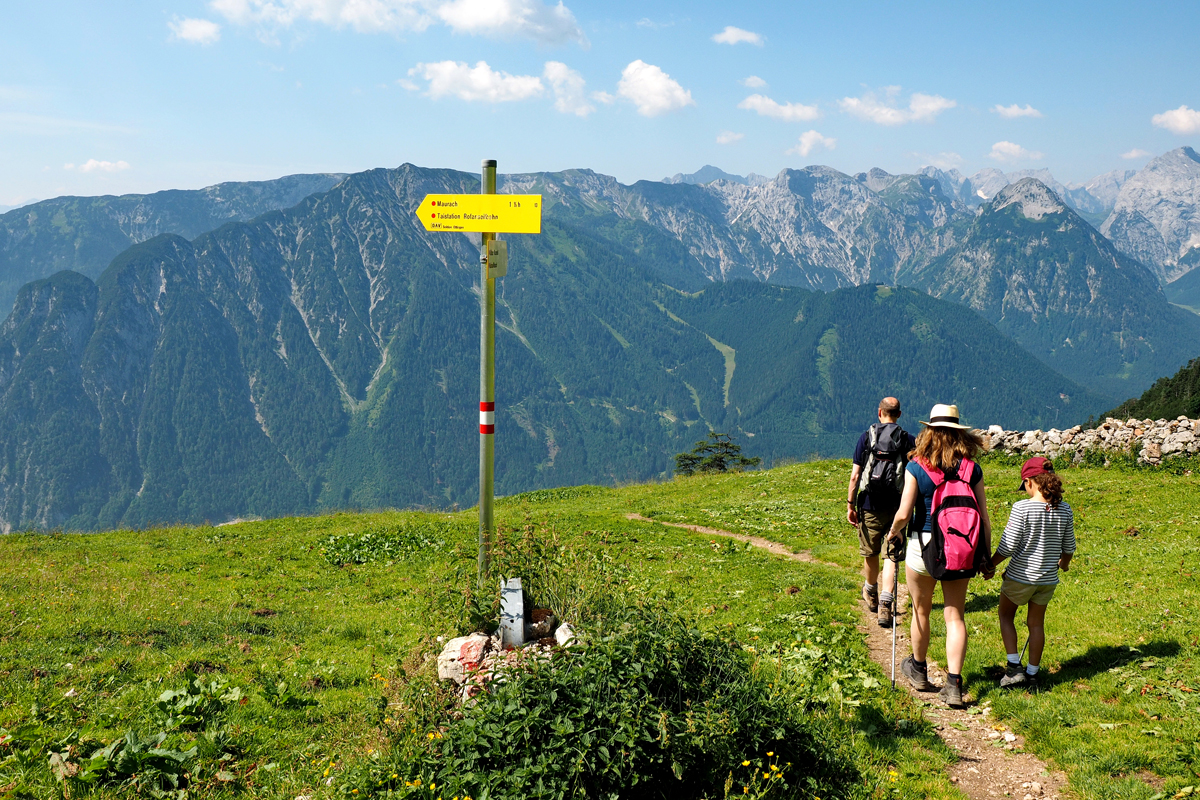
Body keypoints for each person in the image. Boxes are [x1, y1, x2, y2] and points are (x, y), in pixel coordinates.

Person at [886, 403, 994, 708]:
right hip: (961, 548)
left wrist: (893, 533)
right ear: (960, 434)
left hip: (924, 546)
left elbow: (905, 513)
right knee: (955, 615)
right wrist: (984, 555)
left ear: (929, 431)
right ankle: (954, 685)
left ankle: (918, 669)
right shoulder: (972, 468)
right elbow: (984, 518)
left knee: (921, 611)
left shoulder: (917, 466)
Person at [991, 457, 1076, 690]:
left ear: (1029, 482)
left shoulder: (1022, 507)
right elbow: (1068, 548)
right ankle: (1033, 674)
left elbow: (1008, 546)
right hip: (1048, 580)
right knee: (1036, 624)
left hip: (1020, 576)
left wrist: (990, 564)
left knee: (1006, 616)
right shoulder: (1065, 509)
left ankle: (1013, 667)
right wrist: (1064, 565)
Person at [847, 397, 916, 627]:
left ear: (879, 412)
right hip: (898, 506)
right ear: (899, 414)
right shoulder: (907, 440)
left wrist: (850, 503)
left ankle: (871, 592)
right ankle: (886, 604)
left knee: (871, 552)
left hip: (869, 504)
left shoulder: (866, 437)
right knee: (891, 555)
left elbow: (856, 475)